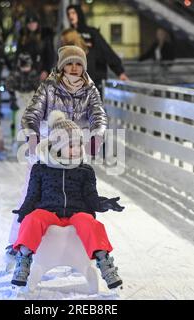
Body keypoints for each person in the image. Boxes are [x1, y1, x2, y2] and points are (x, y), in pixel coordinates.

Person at [5, 45, 108, 258]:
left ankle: (81, 249)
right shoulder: (49, 87)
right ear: (61, 66)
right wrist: (33, 137)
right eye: (69, 63)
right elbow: (31, 114)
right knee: (30, 194)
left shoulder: (90, 89)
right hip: (47, 147)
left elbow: (99, 115)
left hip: (75, 148)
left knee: (80, 197)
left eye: (78, 64)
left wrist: (97, 134)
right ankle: (16, 243)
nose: (74, 68)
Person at [11, 111, 124, 289]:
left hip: (77, 212)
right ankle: (24, 260)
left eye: (79, 145)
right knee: (32, 219)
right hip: (48, 211)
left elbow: (90, 198)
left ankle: (105, 263)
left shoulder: (84, 170)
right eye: (71, 146)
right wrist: (24, 211)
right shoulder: (41, 168)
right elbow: (32, 195)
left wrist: (104, 203)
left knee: (91, 223)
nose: (77, 150)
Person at [66, 4, 129, 94]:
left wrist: (119, 72)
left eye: (73, 13)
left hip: (94, 79)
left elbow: (106, 50)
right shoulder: (68, 36)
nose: (71, 16)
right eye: (69, 14)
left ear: (79, 14)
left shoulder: (91, 33)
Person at [5, 52, 40, 153]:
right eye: (23, 66)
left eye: (27, 66)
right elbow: (9, 85)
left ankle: (30, 142)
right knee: (16, 120)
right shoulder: (15, 74)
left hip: (30, 98)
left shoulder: (33, 74)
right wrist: (13, 97)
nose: (25, 68)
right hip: (18, 98)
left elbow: (38, 88)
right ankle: (15, 141)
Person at [17, 12, 55, 82]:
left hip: (41, 72)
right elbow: (19, 54)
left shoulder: (45, 36)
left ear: (37, 23)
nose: (31, 25)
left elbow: (50, 55)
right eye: (29, 23)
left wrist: (46, 70)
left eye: (33, 22)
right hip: (26, 73)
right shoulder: (23, 37)